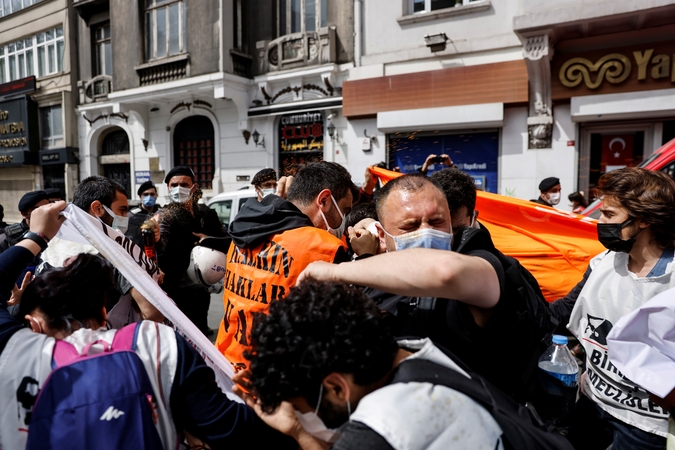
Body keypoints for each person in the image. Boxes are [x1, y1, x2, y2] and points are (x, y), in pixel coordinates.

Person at [0, 203, 295, 449]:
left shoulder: (15, 356)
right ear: (106, 312)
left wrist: (36, 236)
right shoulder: (156, 344)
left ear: (32, 324)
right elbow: (230, 428)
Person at [233, 280, 505, 450]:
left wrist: (299, 433)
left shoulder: (383, 425)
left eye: (303, 409)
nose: (302, 417)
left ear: (337, 387)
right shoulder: (414, 351)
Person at [564, 167, 675, 450]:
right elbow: (563, 311)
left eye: (609, 215)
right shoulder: (602, 263)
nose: (599, 222)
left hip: (646, 428)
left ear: (645, 220)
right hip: (591, 406)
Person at [215, 161, 358, 370]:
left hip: (226, 363)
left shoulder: (245, 228)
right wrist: (366, 256)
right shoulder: (325, 247)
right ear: (325, 200)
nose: (344, 220)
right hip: (275, 378)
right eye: (344, 210)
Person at [155, 166, 226, 335]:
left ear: (193, 187)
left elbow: (226, 239)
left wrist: (208, 240)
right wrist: (156, 238)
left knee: (200, 330)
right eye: (174, 185)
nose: (178, 189)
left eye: (184, 184)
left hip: (202, 288)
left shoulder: (206, 214)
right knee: (180, 336)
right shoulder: (166, 214)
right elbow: (160, 241)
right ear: (168, 188)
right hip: (176, 290)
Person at [126, 181, 161, 249]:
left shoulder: (161, 213)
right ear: (140, 197)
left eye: (152, 194)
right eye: (146, 194)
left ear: (156, 195)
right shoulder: (132, 215)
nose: (149, 197)